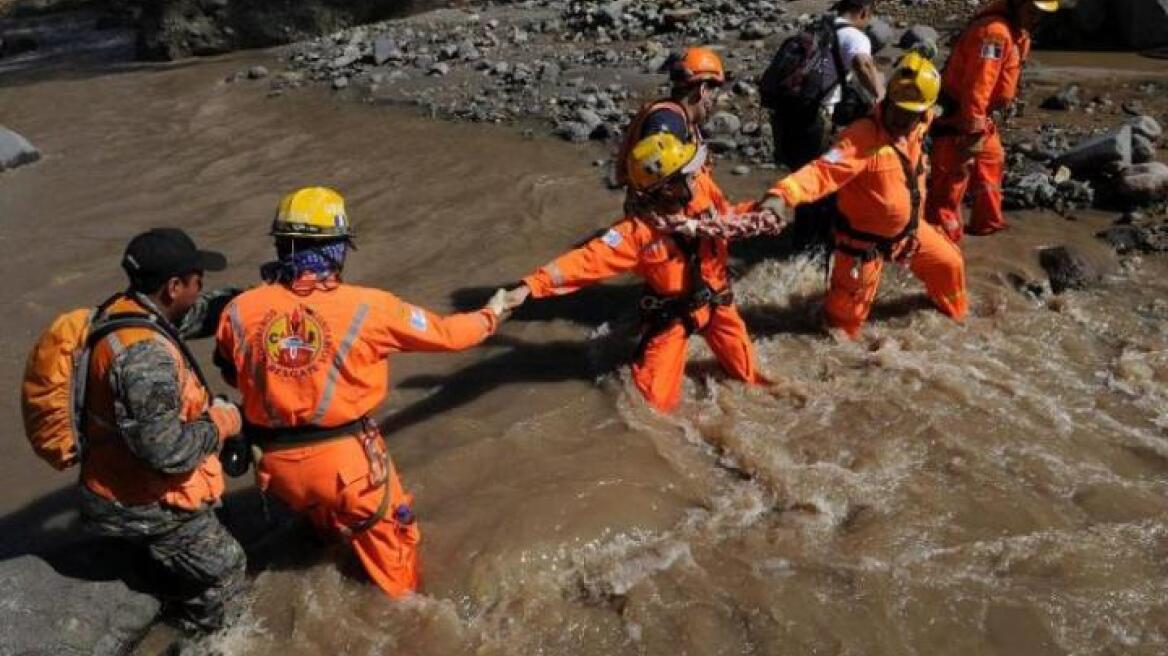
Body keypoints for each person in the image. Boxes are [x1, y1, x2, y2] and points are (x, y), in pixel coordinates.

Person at [214, 187, 511, 598]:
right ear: (337, 250)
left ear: (281, 245)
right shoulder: (371, 306)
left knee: (322, 525)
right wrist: (491, 313)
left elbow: (233, 375)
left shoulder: (238, 309)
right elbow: (449, 336)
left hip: (276, 468)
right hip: (346, 465)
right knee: (397, 570)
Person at [503, 134, 789, 413]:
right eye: (687, 174)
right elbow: (584, 261)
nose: (696, 175)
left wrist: (762, 209)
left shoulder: (700, 187)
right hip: (674, 315)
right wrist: (529, 287)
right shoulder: (635, 234)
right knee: (650, 407)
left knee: (751, 378)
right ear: (667, 188)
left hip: (718, 302)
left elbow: (726, 217)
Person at [78, 228, 248, 633]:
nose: (201, 285)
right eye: (196, 279)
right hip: (135, 502)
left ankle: (167, 586)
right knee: (228, 567)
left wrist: (254, 297)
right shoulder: (146, 357)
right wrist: (223, 420)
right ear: (173, 286)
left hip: (113, 475)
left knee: (220, 517)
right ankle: (205, 636)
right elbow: (166, 452)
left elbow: (196, 313)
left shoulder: (126, 310)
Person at [760, 53, 967, 338]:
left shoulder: (921, 121)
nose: (901, 119)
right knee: (842, 331)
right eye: (897, 110)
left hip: (909, 233)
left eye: (911, 114)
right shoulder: (861, 139)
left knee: (950, 265)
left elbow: (940, 113)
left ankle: (959, 323)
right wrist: (781, 197)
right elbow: (821, 172)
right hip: (861, 249)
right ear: (888, 99)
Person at [926, 0, 1059, 241]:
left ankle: (988, 225)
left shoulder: (1015, 32)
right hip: (962, 118)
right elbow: (978, 84)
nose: (1036, 18)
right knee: (953, 177)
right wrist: (973, 128)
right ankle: (940, 237)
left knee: (991, 163)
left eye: (1040, 14)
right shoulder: (995, 34)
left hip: (980, 116)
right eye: (1031, 11)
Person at [765, 0, 885, 172]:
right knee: (820, 175)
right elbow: (863, 65)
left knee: (798, 174)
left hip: (786, 110)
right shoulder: (855, 36)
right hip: (814, 115)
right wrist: (882, 96)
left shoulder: (816, 28)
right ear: (864, 12)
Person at [613, 46, 725, 190]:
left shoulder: (680, 120)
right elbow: (656, 175)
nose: (713, 103)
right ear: (703, 90)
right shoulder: (668, 120)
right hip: (669, 210)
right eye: (713, 95)